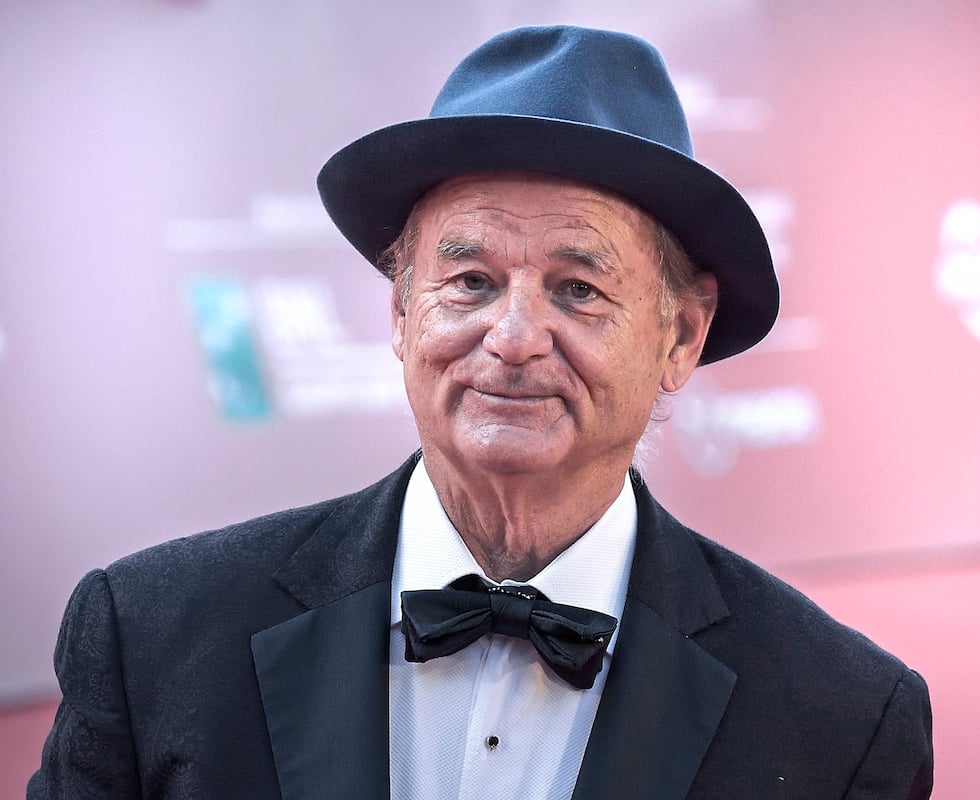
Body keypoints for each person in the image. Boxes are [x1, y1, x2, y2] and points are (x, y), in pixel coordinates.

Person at [29, 25, 933, 799]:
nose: (513, 337)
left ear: (680, 337)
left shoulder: (841, 718)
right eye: (470, 282)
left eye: (579, 289)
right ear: (398, 311)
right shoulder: (147, 636)